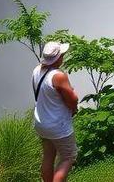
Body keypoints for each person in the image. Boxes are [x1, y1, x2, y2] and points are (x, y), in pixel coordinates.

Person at [32, 41, 79, 182]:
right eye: (62, 55)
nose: (63, 58)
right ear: (57, 58)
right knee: (68, 157)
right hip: (58, 126)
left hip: (41, 123)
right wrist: (74, 96)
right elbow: (72, 100)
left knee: (48, 156)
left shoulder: (36, 70)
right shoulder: (58, 76)